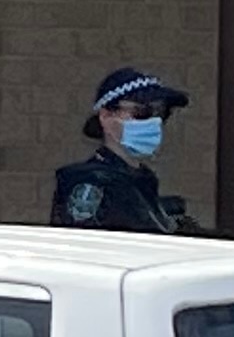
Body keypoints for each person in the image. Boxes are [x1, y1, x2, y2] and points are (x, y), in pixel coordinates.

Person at [52, 66, 204, 233]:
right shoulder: (90, 182)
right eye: (141, 112)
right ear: (106, 116)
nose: (154, 121)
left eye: (161, 113)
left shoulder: (142, 180)